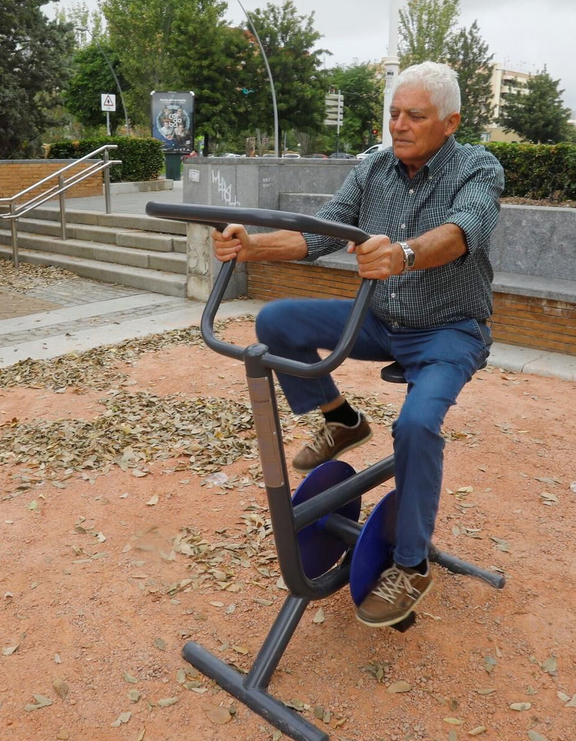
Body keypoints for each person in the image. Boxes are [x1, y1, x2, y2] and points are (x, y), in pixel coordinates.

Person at [212, 62, 502, 628]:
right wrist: (253, 248)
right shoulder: (374, 169)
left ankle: (412, 564)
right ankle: (340, 418)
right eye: (394, 113)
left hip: (450, 329)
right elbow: (319, 231)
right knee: (276, 324)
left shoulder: (477, 168)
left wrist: (405, 254)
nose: (399, 125)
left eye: (415, 116)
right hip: (380, 319)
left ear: (450, 122)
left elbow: (465, 230)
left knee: (417, 427)